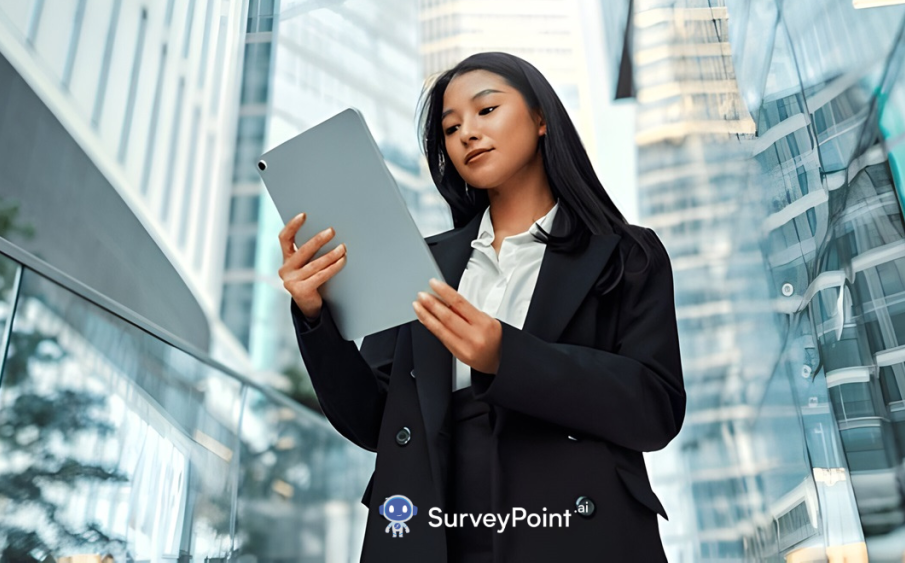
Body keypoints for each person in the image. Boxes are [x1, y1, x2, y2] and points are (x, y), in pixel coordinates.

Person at [278, 51, 685, 563]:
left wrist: (506, 357)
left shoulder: (625, 255)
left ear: (541, 119)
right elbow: (374, 420)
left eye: (486, 110)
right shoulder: (419, 262)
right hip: (433, 528)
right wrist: (316, 317)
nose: (467, 133)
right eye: (451, 127)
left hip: (573, 531)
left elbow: (655, 408)